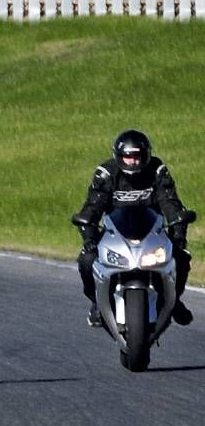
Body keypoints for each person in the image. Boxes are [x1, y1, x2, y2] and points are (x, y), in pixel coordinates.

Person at [72, 129, 194, 327]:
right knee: (87, 260)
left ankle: (174, 300)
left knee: (180, 257)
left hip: (153, 233)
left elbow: (170, 201)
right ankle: (96, 303)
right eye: (128, 157)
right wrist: (88, 236)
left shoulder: (157, 169)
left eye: (137, 156)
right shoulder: (106, 173)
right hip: (114, 234)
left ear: (146, 155)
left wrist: (178, 231)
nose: (133, 162)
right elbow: (92, 207)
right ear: (119, 157)